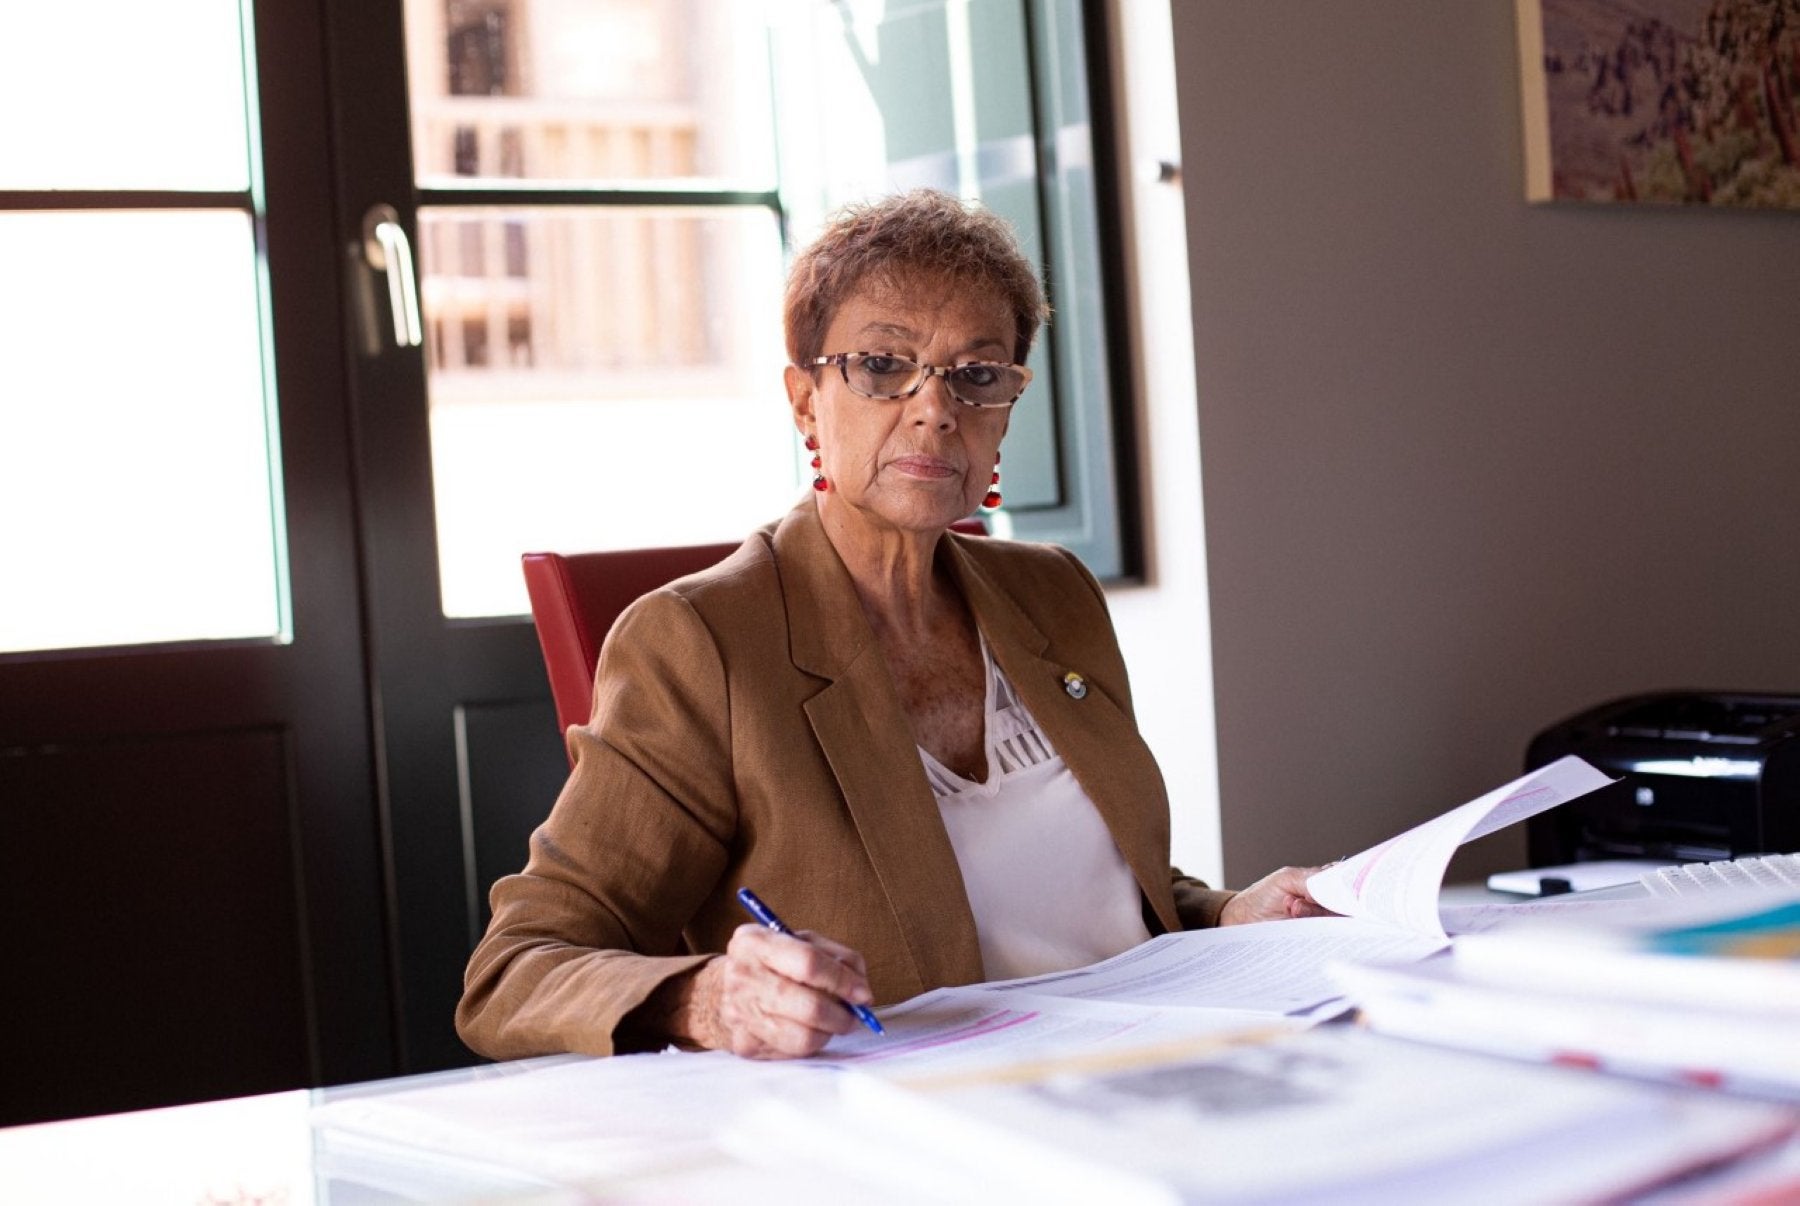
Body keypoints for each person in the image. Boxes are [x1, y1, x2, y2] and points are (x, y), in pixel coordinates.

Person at [457, 189, 1328, 1062]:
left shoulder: (1056, 593)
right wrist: (709, 1001)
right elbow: (515, 971)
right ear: (805, 400)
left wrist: (1227, 912)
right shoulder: (695, 644)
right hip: (936, 1107)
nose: (934, 409)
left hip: (1160, 1061)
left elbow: (1104, 892)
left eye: (977, 375)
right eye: (881, 365)